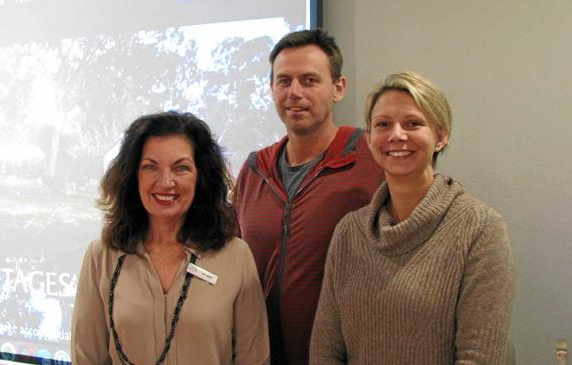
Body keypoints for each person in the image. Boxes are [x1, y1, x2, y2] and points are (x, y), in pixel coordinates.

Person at [310, 71, 515, 364]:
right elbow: (326, 350)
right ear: (369, 139)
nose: (396, 135)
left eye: (413, 123)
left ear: (441, 136)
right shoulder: (349, 231)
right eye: (383, 124)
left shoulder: (481, 228)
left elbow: (480, 356)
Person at [233, 29, 384, 364]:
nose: (294, 92)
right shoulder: (255, 169)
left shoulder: (372, 158)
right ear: (271, 88)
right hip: (260, 354)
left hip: (348, 354)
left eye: (310, 80)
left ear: (338, 88)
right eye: (284, 81)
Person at [71, 111, 269, 365]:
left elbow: (255, 360)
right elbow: (86, 358)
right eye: (150, 167)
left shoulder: (236, 257)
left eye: (181, 168)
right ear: (133, 175)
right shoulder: (101, 256)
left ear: (201, 177)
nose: (165, 182)